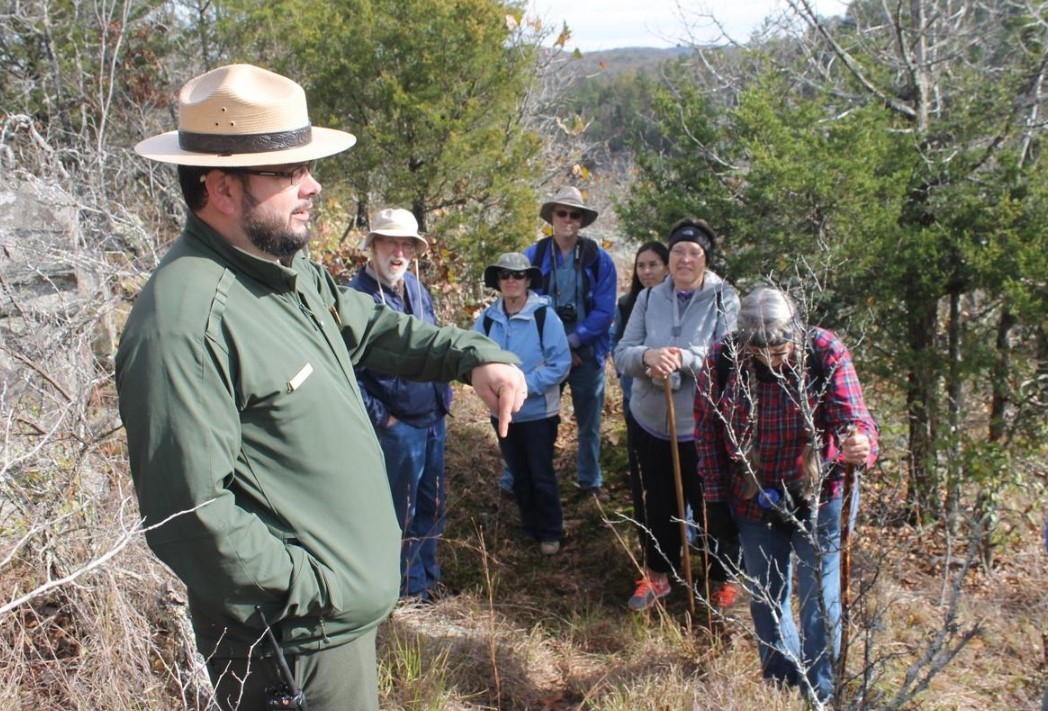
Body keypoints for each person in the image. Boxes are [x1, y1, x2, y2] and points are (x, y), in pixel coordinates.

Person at [115, 64, 526, 711]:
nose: (314, 186)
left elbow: (374, 331)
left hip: (331, 630)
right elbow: (191, 515)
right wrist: (313, 589)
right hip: (291, 649)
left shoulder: (286, 272)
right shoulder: (186, 321)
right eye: (288, 172)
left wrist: (474, 357)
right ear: (222, 188)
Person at [693, 285, 878, 704]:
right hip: (752, 498)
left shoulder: (824, 351)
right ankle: (783, 687)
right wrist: (716, 500)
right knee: (766, 598)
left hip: (821, 495)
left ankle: (823, 693)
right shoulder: (723, 359)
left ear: (795, 329)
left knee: (820, 599)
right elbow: (706, 431)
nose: (773, 357)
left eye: (780, 346)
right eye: (761, 349)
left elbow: (856, 420)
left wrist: (860, 444)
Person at [613, 218, 741, 611]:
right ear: (669, 257)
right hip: (650, 418)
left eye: (694, 253)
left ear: (705, 258)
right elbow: (622, 352)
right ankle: (659, 574)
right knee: (657, 500)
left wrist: (682, 359)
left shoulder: (725, 299)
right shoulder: (649, 297)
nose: (685, 259)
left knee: (712, 503)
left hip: (701, 425)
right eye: (678, 252)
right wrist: (648, 357)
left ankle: (722, 577)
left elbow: (730, 357)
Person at [347, 208, 451, 602]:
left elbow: (435, 343)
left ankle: (426, 577)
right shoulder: (356, 297)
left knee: (432, 503)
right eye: (390, 242)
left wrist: (444, 398)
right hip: (396, 428)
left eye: (406, 244)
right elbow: (346, 371)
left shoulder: (417, 289)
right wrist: (383, 419)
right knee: (398, 513)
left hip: (432, 419)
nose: (399, 252)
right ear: (372, 246)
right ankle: (404, 591)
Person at [506, 186, 616, 499]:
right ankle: (516, 478)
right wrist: (558, 348)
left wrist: (574, 342)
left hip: (587, 353)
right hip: (543, 354)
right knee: (527, 415)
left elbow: (605, 311)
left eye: (574, 214)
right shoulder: (534, 256)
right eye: (562, 213)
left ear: (582, 220)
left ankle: (590, 480)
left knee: (589, 422)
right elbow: (520, 301)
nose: (568, 219)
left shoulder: (599, 259)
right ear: (552, 216)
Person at [475, 253, 572, 554]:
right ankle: (529, 525)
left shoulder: (544, 316)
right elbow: (473, 356)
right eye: (505, 275)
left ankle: (550, 531)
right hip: (500, 412)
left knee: (541, 472)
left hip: (539, 413)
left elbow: (560, 363)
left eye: (518, 275)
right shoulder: (488, 319)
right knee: (518, 471)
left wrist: (521, 388)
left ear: (528, 280)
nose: (511, 280)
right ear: (498, 281)